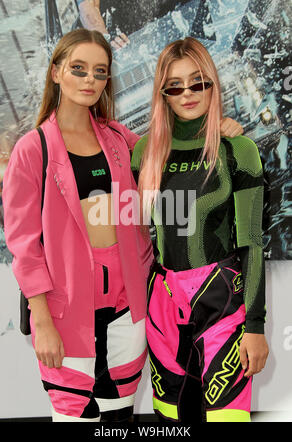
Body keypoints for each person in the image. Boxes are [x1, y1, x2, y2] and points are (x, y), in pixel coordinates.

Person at [2, 29, 242, 422]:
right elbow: (25, 245)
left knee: (118, 419)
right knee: (73, 415)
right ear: (57, 72)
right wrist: (41, 319)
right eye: (78, 69)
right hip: (66, 315)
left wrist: (217, 130)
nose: (90, 80)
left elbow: (166, 150)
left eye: (100, 72)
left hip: (128, 310)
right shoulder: (33, 149)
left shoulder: (117, 139)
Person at [131, 37, 269, 423]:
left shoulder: (237, 150)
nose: (187, 93)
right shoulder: (144, 152)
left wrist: (255, 327)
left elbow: (253, 243)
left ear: (213, 83)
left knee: (228, 418)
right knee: (170, 419)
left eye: (198, 82)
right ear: (163, 93)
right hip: (162, 302)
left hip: (222, 302)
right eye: (175, 85)